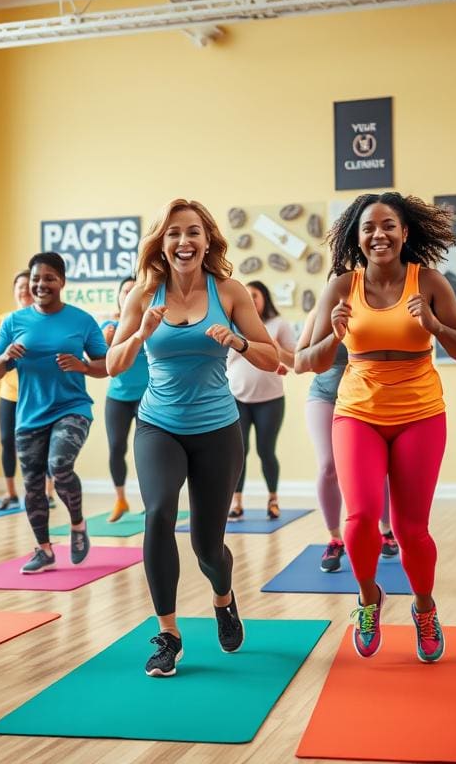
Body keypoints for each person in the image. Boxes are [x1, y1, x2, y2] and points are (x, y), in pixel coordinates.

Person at [107, 198, 278, 678]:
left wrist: (239, 342)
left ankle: (223, 599)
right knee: (159, 514)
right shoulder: (143, 295)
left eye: (193, 232)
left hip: (218, 430)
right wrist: (139, 333)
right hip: (158, 425)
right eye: (174, 233)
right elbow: (113, 366)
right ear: (161, 243)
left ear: (207, 241)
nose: (184, 241)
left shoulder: (230, 291)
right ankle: (168, 634)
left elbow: (273, 357)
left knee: (207, 545)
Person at [303, 192, 456, 663]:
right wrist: (334, 336)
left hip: (420, 412)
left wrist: (435, 325)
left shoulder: (430, 281)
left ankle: (424, 607)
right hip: (357, 411)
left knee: (411, 528)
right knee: (358, 519)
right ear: (356, 238)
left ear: (404, 232)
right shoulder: (341, 286)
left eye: (388, 225)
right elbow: (305, 360)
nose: (378, 234)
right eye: (368, 227)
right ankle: (367, 597)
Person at [0, 252, 108, 573]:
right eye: (37, 279)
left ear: (62, 282)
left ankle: (78, 525)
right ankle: (44, 550)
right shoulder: (14, 322)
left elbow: (106, 365)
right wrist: (4, 357)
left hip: (72, 408)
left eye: (49, 278)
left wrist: (82, 365)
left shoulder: (81, 320)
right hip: (29, 415)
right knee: (33, 484)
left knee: (59, 464)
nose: (41, 284)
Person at [295, 306, 397, 573]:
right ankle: (335, 538)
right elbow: (300, 362)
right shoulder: (319, 314)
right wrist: (334, 334)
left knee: (379, 469)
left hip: (368, 398)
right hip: (325, 395)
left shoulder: (375, 310)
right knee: (328, 467)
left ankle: (386, 530)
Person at [226, 280, 295, 520]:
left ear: (264, 297)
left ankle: (273, 500)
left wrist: (277, 352)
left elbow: (293, 360)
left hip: (270, 400)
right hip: (236, 399)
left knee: (266, 451)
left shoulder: (278, 325)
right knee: (238, 452)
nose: (250, 299)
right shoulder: (231, 326)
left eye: (254, 294)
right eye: (246, 295)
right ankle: (236, 502)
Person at [0, 270, 57, 512]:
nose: (24, 290)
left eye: (28, 286)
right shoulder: (2, 322)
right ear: (15, 291)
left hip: (39, 395)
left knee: (44, 443)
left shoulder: (46, 319)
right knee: (7, 441)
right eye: (19, 286)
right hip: (10, 393)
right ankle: (10, 493)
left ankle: (49, 492)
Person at [101, 277, 149, 522]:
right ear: (120, 298)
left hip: (146, 397)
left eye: (133, 291)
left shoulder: (150, 324)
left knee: (146, 450)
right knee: (116, 448)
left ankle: (150, 501)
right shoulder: (109, 326)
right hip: (117, 397)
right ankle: (120, 499)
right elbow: (101, 359)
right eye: (125, 291)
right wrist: (106, 342)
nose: (129, 294)